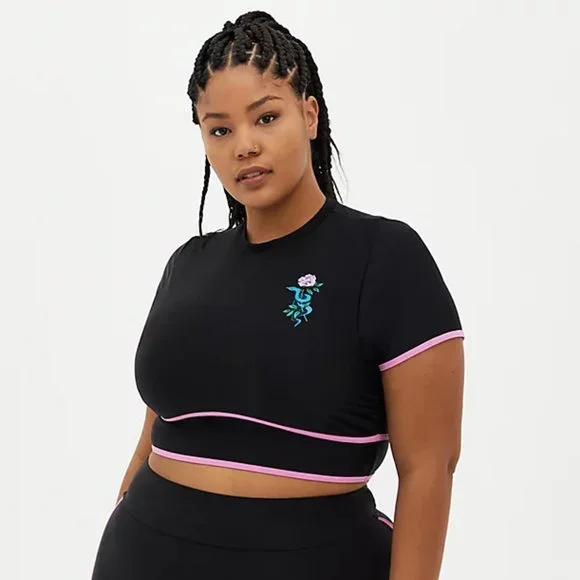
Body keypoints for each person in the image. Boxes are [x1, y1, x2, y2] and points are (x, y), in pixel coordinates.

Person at [90, 10, 465, 580]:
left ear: (309, 115)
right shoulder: (189, 263)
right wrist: (121, 508)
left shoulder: (384, 257)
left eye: (266, 117)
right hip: (141, 554)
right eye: (219, 129)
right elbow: (161, 424)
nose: (244, 146)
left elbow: (429, 468)